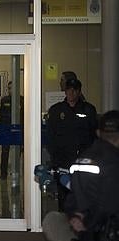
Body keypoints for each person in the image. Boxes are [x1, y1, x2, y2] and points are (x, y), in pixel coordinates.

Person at [66, 110, 119, 241]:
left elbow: (73, 197)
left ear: (98, 132)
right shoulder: (114, 161)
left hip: (87, 239)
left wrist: (77, 217)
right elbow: (108, 206)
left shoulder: (82, 158)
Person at [47, 78, 97, 211]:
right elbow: (50, 136)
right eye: (69, 90)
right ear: (65, 91)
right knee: (63, 197)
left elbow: (94, 135)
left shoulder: (88, 109)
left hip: (83, 161)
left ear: (79, 92)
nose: (71, 93)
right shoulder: (56, 110)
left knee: (83, 196)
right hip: (62, 161)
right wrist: (55, 156)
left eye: (75, 90)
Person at [0, 81, 24, 179]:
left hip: (18, 130)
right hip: (6, 129)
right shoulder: (5, 100)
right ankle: (3, 173)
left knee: (18, 152)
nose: (10, 90)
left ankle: (15, 172)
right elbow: (1, 116)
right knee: (5, 151)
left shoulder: (22, 100)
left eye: (12, 88)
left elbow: (24, 116)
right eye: (9, 88)